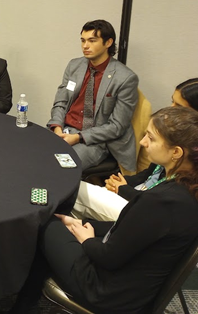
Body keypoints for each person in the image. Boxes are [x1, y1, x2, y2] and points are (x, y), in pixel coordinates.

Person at [12, 106, 198, 313]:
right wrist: (84, 224)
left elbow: (108, 257)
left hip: (106, 291)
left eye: (151, 138)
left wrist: (87, 239)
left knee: (44, 221)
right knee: (62, 224)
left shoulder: (161, 201)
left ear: (176, 152)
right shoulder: (185, 189)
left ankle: (22, 304)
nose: (143, 142)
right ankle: (27, 301)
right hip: (134, 286)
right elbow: (132, 231)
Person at [73, 81, 198, 221]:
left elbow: (159, 203)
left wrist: (123, 189)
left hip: (144, 209)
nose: (170, 109)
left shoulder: (188, 164)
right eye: (172, 102)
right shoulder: (171, 142)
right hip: (137, 194)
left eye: (178, 106)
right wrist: (121, 182)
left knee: (73, 192)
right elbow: (148, 175)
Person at [47, 20, 139, 171]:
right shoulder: (74, 66)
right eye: (83, 40)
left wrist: (78, 137)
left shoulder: (125, 78)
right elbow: (61, 102)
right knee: (34, 155)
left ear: (108, 42)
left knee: (58, 168)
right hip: (65, 129)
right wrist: (57, 128)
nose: (85, 46)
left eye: (92, 40)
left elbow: (117, 126)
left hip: (94, 140)